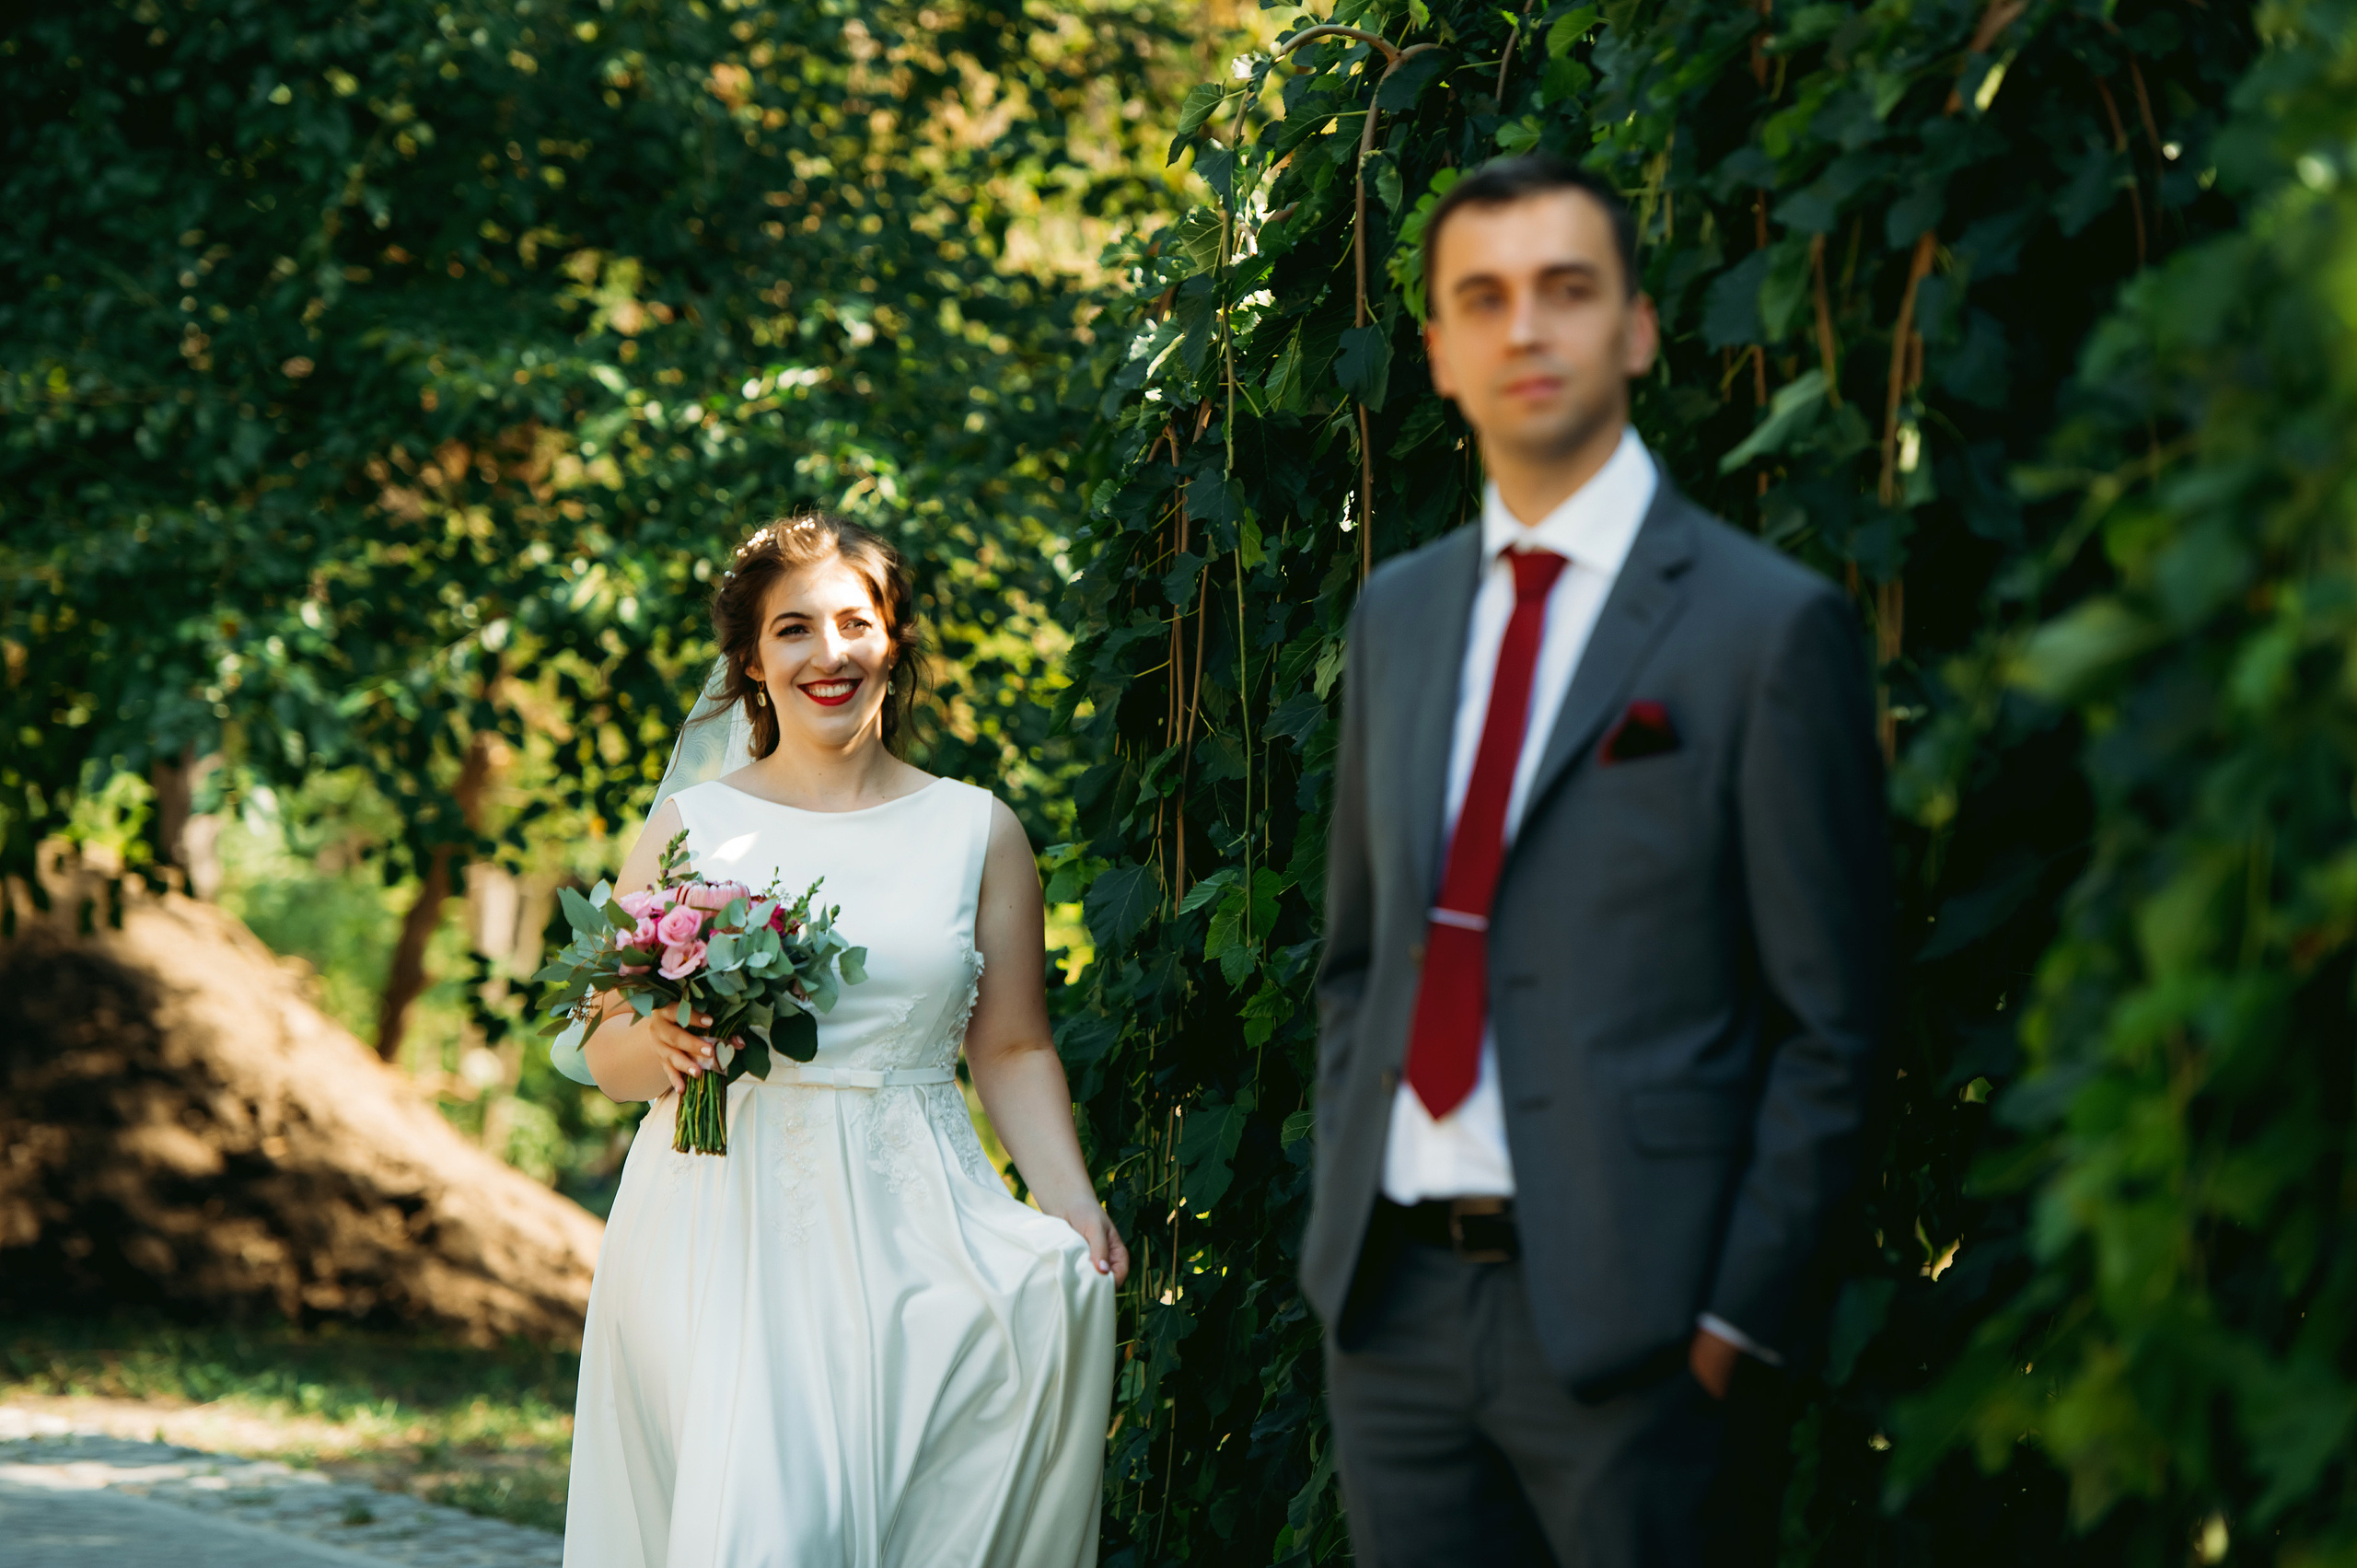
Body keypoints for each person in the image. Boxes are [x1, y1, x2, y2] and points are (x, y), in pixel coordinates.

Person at [1302, 154, 1890, 1566]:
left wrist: (1731, 1317)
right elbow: (1361, 958)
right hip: (1392, 1319)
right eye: (1483, 299)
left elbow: (1838, 1018)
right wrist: (1341, 1242)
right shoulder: (1397, 612)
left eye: (1567, 290)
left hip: (1645, 1332)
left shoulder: (1764, 627)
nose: (1526, 329)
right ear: (1437, 351)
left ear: (1635, 325)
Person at [557, 513, 1124, 1568]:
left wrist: (1070, 1201)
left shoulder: (978, 829)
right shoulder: (692, 827)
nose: (830, 653)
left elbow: (1010, 1049)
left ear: (895, 641)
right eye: (794, 628)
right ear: (751, 661)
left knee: (921, 1508)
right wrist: (673, 1039)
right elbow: (604, 1051)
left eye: (857, 622)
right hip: (722, 1218)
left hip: (918, 1217)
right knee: (768, 1529)